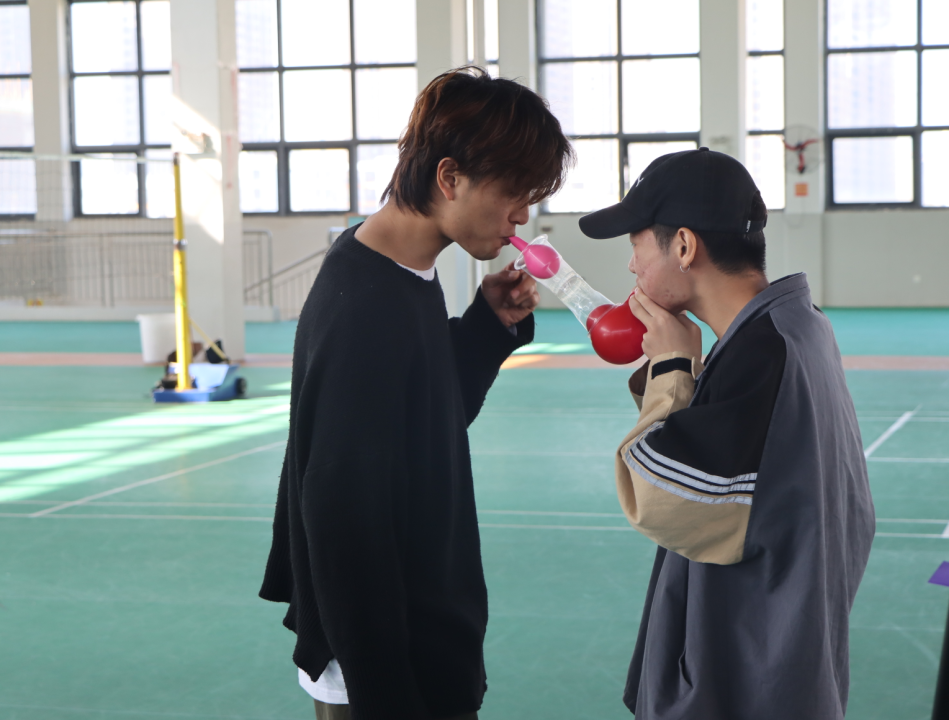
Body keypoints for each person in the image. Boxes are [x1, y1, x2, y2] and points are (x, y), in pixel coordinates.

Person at [259, 67, 573, 720]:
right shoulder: (364, 307)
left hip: (419, 629)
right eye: (513, 194)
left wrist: (487, 327)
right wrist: (389, 695)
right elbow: (342, 523)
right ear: (450, 177)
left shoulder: (404, 272)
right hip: (382, 663)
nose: (522, 217)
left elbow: (429, 421)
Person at [578, 148, 875, 719]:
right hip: (781, 659)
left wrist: (671, 370)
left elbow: (659, 498)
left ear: (684, 246)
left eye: (637, 245)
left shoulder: (760, 355)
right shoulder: (796, 326)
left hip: (742, 683)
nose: (633, 266)